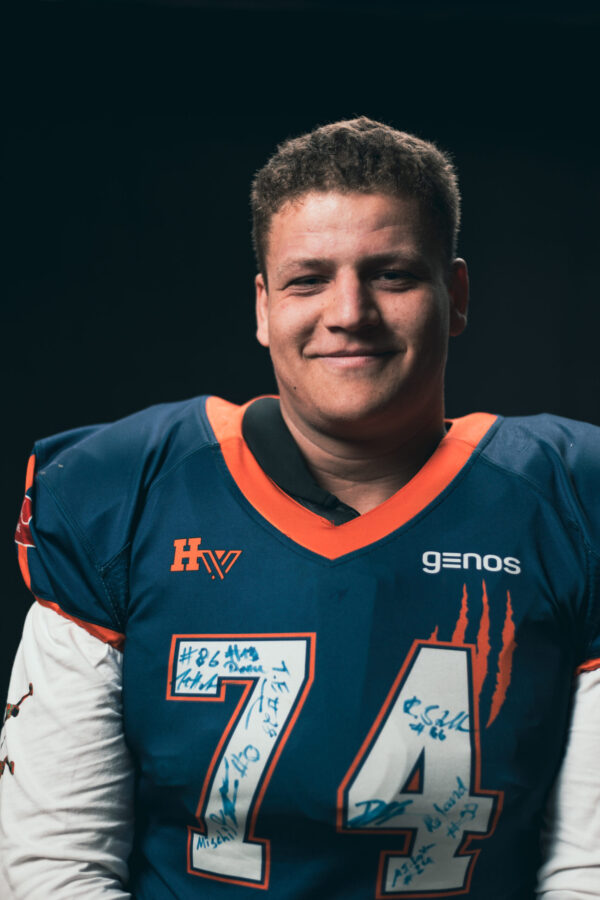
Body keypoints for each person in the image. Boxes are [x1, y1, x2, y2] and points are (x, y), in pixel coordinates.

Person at [1, 116, 599, 899]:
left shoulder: (572, 498)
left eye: (392, 275)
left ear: (454, 297)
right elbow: (57, 865)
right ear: (263, 306)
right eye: (308, 280)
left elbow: (588, 869)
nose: (349, 312)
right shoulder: (129, 491)